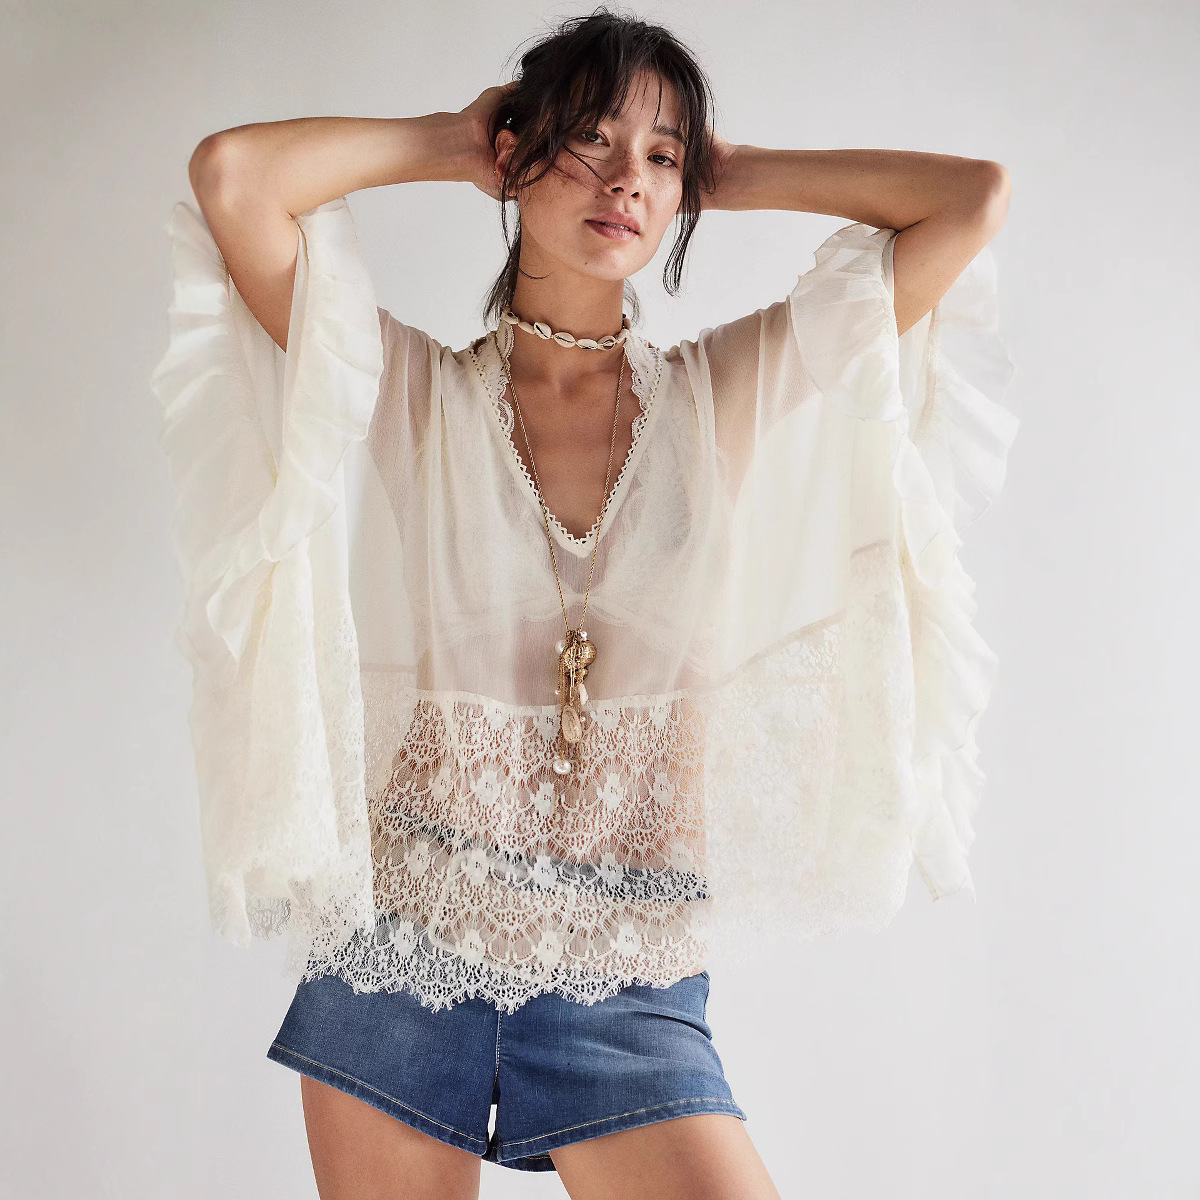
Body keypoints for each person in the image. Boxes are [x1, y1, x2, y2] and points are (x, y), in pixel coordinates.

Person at [150, 9, 1019, 1198]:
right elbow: (233, 178)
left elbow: (970, 200)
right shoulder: (413, 393)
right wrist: (452, 142)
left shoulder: (721, 395)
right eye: (593, 140)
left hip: (630, 963)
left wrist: (728, 173)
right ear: (519, 155)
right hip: (410, 942)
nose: (627, 180)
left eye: (661, 156)